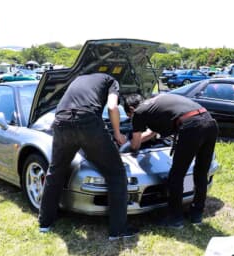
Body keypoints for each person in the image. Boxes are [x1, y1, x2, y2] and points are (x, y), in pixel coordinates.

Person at [39, 73, 138, 241]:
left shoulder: (78, 79)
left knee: (55, 171)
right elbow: (113, 107)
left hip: (61, 121)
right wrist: (117, 133)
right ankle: (118, 230)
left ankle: (45, 223)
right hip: (87, 123)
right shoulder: (111, 81)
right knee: (116, 173)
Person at [122, 93, 218, 229]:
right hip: (210, 123)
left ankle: (175, 219)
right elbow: (152, 132)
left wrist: (125, 146)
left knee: (176, 176)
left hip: (191, 127)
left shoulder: (138, 112)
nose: (131, 119)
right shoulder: (157, 101)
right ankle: (196, 214)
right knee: (201, 172)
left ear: (131, 109)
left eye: (129, 116)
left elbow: (136, 145)